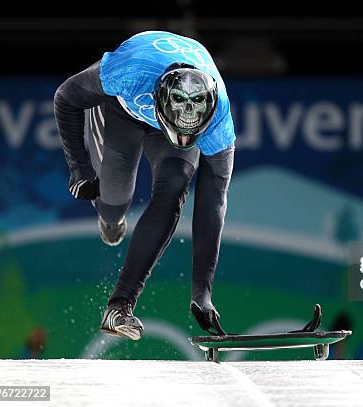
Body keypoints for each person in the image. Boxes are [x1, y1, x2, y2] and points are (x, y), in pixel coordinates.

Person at [54, 31, 235, 340]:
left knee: (175, 188)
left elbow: (212, 203)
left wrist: (202, 293)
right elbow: (65, 98)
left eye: (193, 132)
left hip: (173, 114)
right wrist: (79, 169)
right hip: (121, 113)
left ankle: (119, 306)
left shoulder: (218, 117)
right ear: (157, 101)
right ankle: (110, 216)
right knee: (114, 203)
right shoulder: (128, 72)